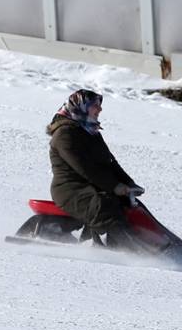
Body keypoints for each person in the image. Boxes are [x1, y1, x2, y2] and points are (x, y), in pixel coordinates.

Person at [47, 89, 145, 249]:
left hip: (93, 186)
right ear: (81, 107)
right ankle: (124, 249)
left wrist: (129, 183)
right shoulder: (64, 134)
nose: (100, 109)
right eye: (95, 105)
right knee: (104, 206)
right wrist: (115, 186)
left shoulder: (91, 132)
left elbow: (110, 163)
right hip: (70, 190)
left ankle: (169, 244)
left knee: (130, 204)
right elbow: (85, 168)